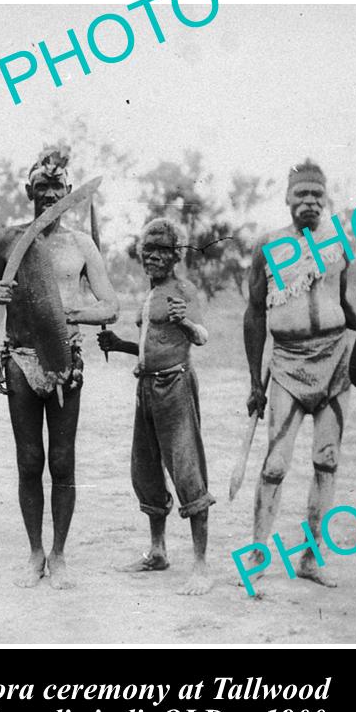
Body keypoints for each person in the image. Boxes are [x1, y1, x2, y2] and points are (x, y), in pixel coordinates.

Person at [0, 147, 119, 589]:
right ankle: (34, 553)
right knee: (28, 460)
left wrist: (69, 316)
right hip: (21, 357)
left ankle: (59, 555)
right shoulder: (8, 241)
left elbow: (111, 306)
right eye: (42, 188)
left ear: (68, 192)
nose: (49, 195)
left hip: (65, 358)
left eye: (57, 188)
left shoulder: (80, 244)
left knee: (62, 460)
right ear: (29, 192)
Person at [240, 159, 356, 588]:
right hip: (288, 366)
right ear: (287, 200)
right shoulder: (269, 245)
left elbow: (342, 304)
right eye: (300, 195)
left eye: (316, 195)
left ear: (325, 199)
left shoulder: (338, 243)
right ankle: (257, 555)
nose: (308, 202)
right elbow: (254, 312)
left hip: (336, 363)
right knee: (274, 464)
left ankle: (312, 557)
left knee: (326, 461)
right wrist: (256, 381)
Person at [98, 219, 215, 595]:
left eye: (163, 250)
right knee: (145, 469)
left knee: (186, 468)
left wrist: (188, 324)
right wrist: (118, 345)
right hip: (145, 387)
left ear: (176, 254)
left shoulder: (184, 289)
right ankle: (158, 551)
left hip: (175, 385)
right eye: (149, 250)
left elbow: (202, 336)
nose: (154, 257)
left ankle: (200, 565)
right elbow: (151, 346)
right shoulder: (149, 295)